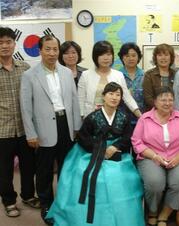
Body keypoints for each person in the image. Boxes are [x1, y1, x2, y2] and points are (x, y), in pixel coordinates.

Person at [47, 82, 145, 226]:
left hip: (116, 153)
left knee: (120, 177)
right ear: (103, 96)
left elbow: (127, 137)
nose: (114, 97)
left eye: (118, 95)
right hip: (91, 152)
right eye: (111, 94)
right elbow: (82, 137)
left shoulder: (123, 117)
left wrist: (116, 146)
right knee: (88, 175)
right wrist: (98, 149)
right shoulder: (92, 117)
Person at [20, 35, 82, 225]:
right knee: (45, 169)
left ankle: (64, 202)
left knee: (66, 167)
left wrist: (77, 127)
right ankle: (47, 203)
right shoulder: (29, 75)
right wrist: (31, 133)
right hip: (44, 127)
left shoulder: (66, 73)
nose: (52, 53)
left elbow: (73, 101)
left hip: (66, 125)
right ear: (40, 51)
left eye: (55, 49)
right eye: (48, 49)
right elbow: (26, 107)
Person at [132, 86, 179, 226]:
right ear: (155, 102)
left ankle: (164, 214)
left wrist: (178, 158)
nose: (167, 103)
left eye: (170, 100)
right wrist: (155, 156)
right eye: (163, 100)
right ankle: (153, 211)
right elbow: (137, 142)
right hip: (151, 157)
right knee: (155, 183)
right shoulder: (145, 118)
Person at [0, 27, 39, 218]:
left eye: (8, 42)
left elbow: (34, 98)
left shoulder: (25, 68)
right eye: (0, 42)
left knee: (28, 166)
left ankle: (28, 195)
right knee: (4, 170)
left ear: (14, 44)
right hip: (2, 130)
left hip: (25, 128)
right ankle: (8, 201)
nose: (5, 46)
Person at [78, 40, 141, 118]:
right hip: (91, 119)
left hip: (113, 118)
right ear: (95, 56)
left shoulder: (118, 75)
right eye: (102, 55)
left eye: (108, 54)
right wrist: (82, 119)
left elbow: (127, 97)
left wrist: (140, 116)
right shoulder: (86, 75)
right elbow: (80, 101)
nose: (106, 58)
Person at [143, 43, 176, 111]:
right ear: (155, 58)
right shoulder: (149, 75)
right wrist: (162, 108)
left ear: (171, 57)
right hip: (154, 112)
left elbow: (178, 96)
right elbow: (148, 98)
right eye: (160, 55)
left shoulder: (176, 74)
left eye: (166, 55)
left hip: (173, 111)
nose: (163, 58)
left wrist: (170, 108)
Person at [118, 42, 144, 126]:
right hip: (121, 118)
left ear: (138, 57)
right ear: (122, 58)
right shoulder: (117, 75)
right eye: (127, 56)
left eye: (133, 55)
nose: (131, 58)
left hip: (141, 117)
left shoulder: (145, 75)